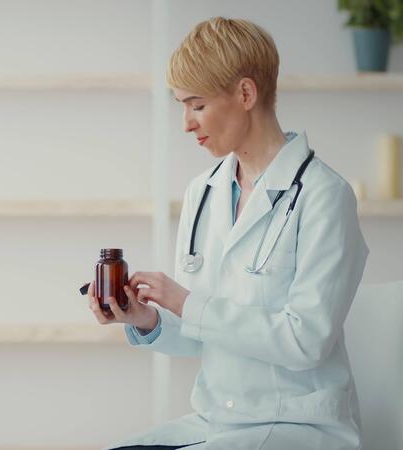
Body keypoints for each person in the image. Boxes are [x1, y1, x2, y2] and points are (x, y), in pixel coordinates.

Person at [87, 18, 367, 450]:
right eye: (181, 105)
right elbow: (205, 336)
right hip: (216, 420)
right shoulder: (204, 193)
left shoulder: (325, 196)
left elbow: (305, 342)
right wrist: (144, 319)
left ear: (245, 94)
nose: (185, 123)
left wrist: (186, 302)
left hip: (298, 426)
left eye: (196, 105)